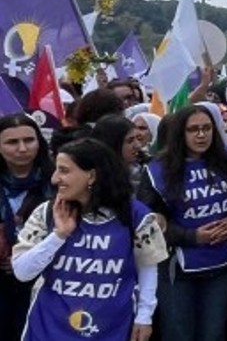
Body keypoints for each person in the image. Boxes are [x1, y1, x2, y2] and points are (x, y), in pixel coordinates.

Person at [12, 139, 168, 341]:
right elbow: (22, 273)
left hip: (112, 327)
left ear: (92, 176)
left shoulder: (136, 216)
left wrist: (144, 317)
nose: (54, 178)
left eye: (64, 170)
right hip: (49, 328)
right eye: (56, 170)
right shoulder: (47, 213)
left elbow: (148, 267)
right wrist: (58, 236)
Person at [139, 105, 227, 341]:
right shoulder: (157, 171)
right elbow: (149, 226)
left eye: (206, 128)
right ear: (179, 134)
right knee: (179, 334)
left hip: (222, 265)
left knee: (213, 334)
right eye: (193, 130)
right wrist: (191, 236)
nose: (201, 135)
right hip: (178, 269)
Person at [0, 114, 56, 339]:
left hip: (43, 280)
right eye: (12, 142)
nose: (22, 148)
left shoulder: (57, 180)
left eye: (29, 140)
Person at [91, 114, 144, 188]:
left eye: (138, 138)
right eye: (130, 141)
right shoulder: (95, 180)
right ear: (112, 144)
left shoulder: (142, 170)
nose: (138, 145)